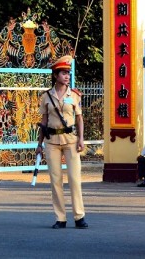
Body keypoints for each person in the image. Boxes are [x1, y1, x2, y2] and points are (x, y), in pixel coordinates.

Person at [35, 55, 88, 229]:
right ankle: (60, 218)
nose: (67, 76)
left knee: (74, 178)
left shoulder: (74, 95)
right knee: (55, 180)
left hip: (71, 140)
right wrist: (39, 144)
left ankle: (79, 216)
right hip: (51, 141)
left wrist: (81, 139)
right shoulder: (46, 97)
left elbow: (79, 118)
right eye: (63, 73)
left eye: (68, 73)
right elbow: (43, 122)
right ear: (55, 75)